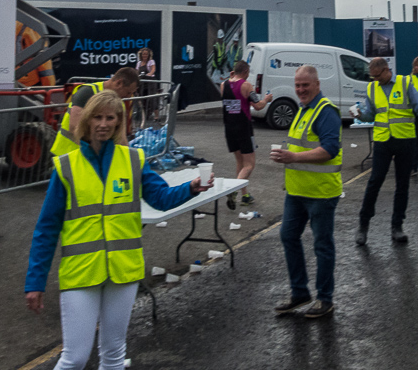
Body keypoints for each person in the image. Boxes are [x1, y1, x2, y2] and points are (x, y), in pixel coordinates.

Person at [25, 90, 212, 369]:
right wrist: (35, 282)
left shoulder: (133, 159)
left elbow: (160, 198)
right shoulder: (66, 167)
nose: (103, 123)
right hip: (81, 274)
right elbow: (46, 228)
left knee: (113, 355)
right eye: (97, 117)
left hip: (123, 272)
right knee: (74, 358)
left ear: (118, 122)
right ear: (87, 121)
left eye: (110, 118)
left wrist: (191, 188)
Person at [270, 65, 342, 318]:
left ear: (317, 84)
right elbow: (299, 147)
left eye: (305, 85)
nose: (300, 90)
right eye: (297, 85)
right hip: (297, 192)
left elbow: (330, 150)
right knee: (288, 236)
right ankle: (299, 292)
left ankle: (325, 298)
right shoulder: (303, 110)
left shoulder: (326, 112)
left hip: (321, 193)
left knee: (322, 245)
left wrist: (293, 156)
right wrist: (286, 156)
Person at [354, 57, 418, 244]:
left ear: (386, 70)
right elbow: (371, 114)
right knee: (374, 182)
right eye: (372, 77)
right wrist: (360, 114)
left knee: (402, 184)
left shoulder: (404, 83)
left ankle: (397, 226)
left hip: (405, 140)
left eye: (377, 76)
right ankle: (363, 225)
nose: (374, 80)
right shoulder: (372, 88)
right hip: (382, 140)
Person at [51, 68, 140, 156]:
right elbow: (74, 127)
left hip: (91, 157)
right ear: (119, 83)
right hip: (67, 153)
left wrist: (128, 156)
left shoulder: (120, 104)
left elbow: (121, 137)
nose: (128, 97)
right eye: (128, 92)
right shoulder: (87, 92)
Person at [220, 60, 273, 210]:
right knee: (249, 164)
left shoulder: (223, 85)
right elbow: (258, 105)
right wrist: (267, 99)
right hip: (243, 128)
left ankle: (245, 196)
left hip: (229, 128)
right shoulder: (246, 86)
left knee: (240, 163)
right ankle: (233, 190)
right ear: (244, 73)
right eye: (247, 74)